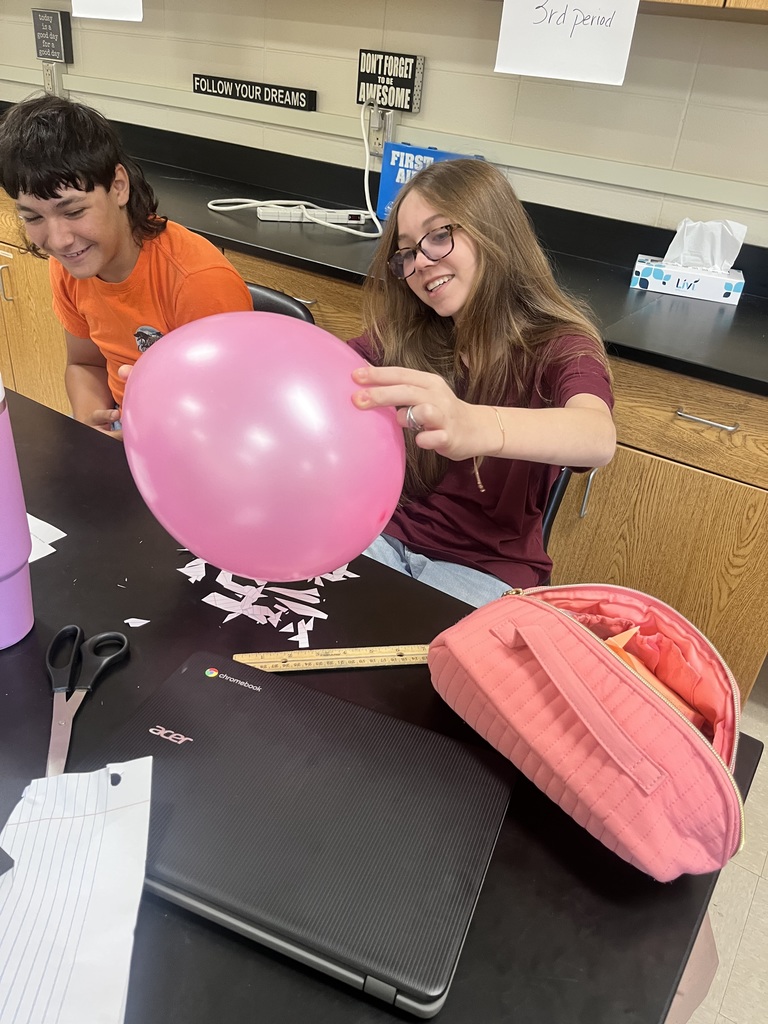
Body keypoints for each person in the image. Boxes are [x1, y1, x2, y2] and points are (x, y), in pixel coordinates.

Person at [349, 159, 616, 607]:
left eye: (438, 236)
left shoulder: (559, 346)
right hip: (382, 540)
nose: (421, 264)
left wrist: (474, 423)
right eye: (408, 252)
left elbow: (596, 435)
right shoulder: (406, 336)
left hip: (485, 575)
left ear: (494, 231)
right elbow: (333, 370)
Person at [0, 95, 252, 438]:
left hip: (194, 446)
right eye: (33, 217)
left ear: (118, 187)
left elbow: (234, 417)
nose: (59, 240)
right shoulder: (72, 264)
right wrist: (93, 426)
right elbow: (84, 363)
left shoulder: (197, 281)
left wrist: (145, 436)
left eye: (74, 212)